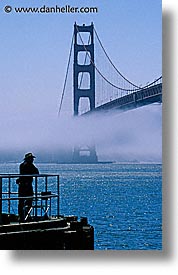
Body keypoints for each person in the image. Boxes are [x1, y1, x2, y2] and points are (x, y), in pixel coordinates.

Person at [16, 153, 39, 222]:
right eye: (31, 159)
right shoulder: (30, 165)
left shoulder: (22, 165)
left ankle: (22, 216)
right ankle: (26, 215)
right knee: (28, 200)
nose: (32, 160)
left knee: (21, 201)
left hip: (22, 185)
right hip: (27, 185)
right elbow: (37, 173)